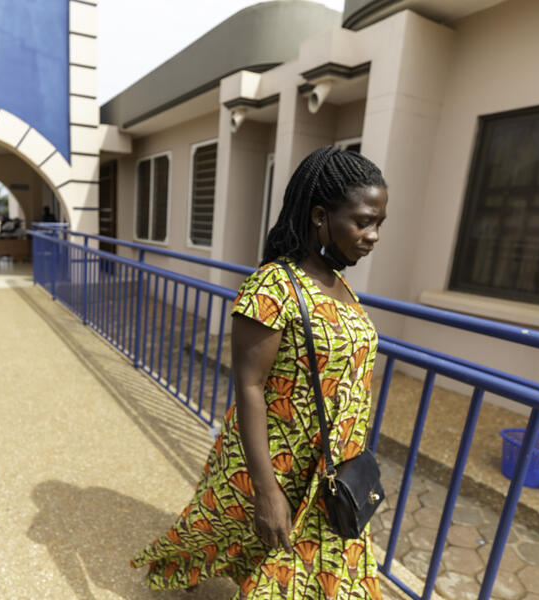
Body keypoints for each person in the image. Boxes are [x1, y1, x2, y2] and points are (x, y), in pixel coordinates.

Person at [131, 147, 388, 599]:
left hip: (330, 474)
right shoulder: (272, 286)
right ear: (320, 215)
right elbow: (247, 386)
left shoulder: (340, 283)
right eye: (364, 221)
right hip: (279, 466)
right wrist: (266, 491)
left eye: (379, 224)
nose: (373, 235)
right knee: (224, 536)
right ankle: (180, 566)